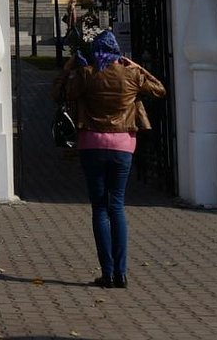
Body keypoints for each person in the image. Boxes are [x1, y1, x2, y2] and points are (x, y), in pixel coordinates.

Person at [53, 29, 166, 289]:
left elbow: (59, 95)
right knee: (117, 206)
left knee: (100, 208)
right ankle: (122, 273)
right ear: (117, 51)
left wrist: (69, 68)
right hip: (123, 146)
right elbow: (160, 90)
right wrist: (138, 66)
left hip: (91, 144)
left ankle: (107, 272)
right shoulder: (131, 74)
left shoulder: (87, 73)